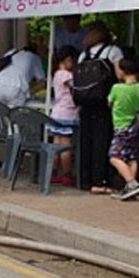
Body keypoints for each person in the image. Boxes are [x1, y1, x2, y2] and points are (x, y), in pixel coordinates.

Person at [77, 21, 125, 194]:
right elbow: (120, 74)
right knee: (102, 142)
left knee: (86, 142)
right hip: (104, 103)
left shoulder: (84, 55)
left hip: (85, 103)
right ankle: (100, 181)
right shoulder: (113, 51)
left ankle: (85, 180)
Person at [107, 57, 139, 200]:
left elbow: (109, 103)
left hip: (120, 126)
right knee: (131, 157)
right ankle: (129, 190)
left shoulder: (117, 88)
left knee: (114, 157)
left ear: (122, 71)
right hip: (134, 126)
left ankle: (131, 182)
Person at [48, 45, 80, 186]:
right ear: (68, 60)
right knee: (66, 146)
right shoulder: (67, 75)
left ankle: (54, 172)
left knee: (56, 144)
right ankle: (67, 174)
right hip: (67, 113)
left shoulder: (56, 73)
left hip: (56, 112)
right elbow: (77, 86)